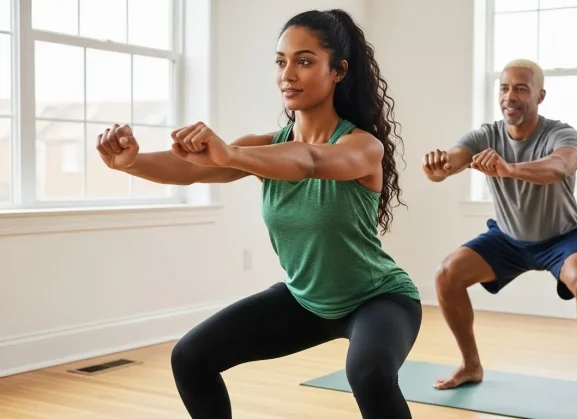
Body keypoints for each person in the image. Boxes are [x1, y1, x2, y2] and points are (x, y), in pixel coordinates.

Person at [95, 9, 421, 419]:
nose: (288, 74)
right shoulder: (263, 147)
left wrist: (232, 153)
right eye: (281, 62)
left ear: (338, 71)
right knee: (191, 357)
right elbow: (190, 170)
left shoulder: (362, 147)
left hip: (377, 299)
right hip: (306, 300)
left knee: (369, 372)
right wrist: (131, 162)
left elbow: (309, 161)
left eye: (304, 61)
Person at [421, 58, 577, 411]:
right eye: (505, 87)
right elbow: (450, 162)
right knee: (446, 275)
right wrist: (436, 167)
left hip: (562, 239)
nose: (510, 96)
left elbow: (560, 166)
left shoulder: (561, 133)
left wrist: (509, 169)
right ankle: (470, 365)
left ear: (540, 96)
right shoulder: (485, 135)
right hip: (508, 239)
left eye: (521, 89)